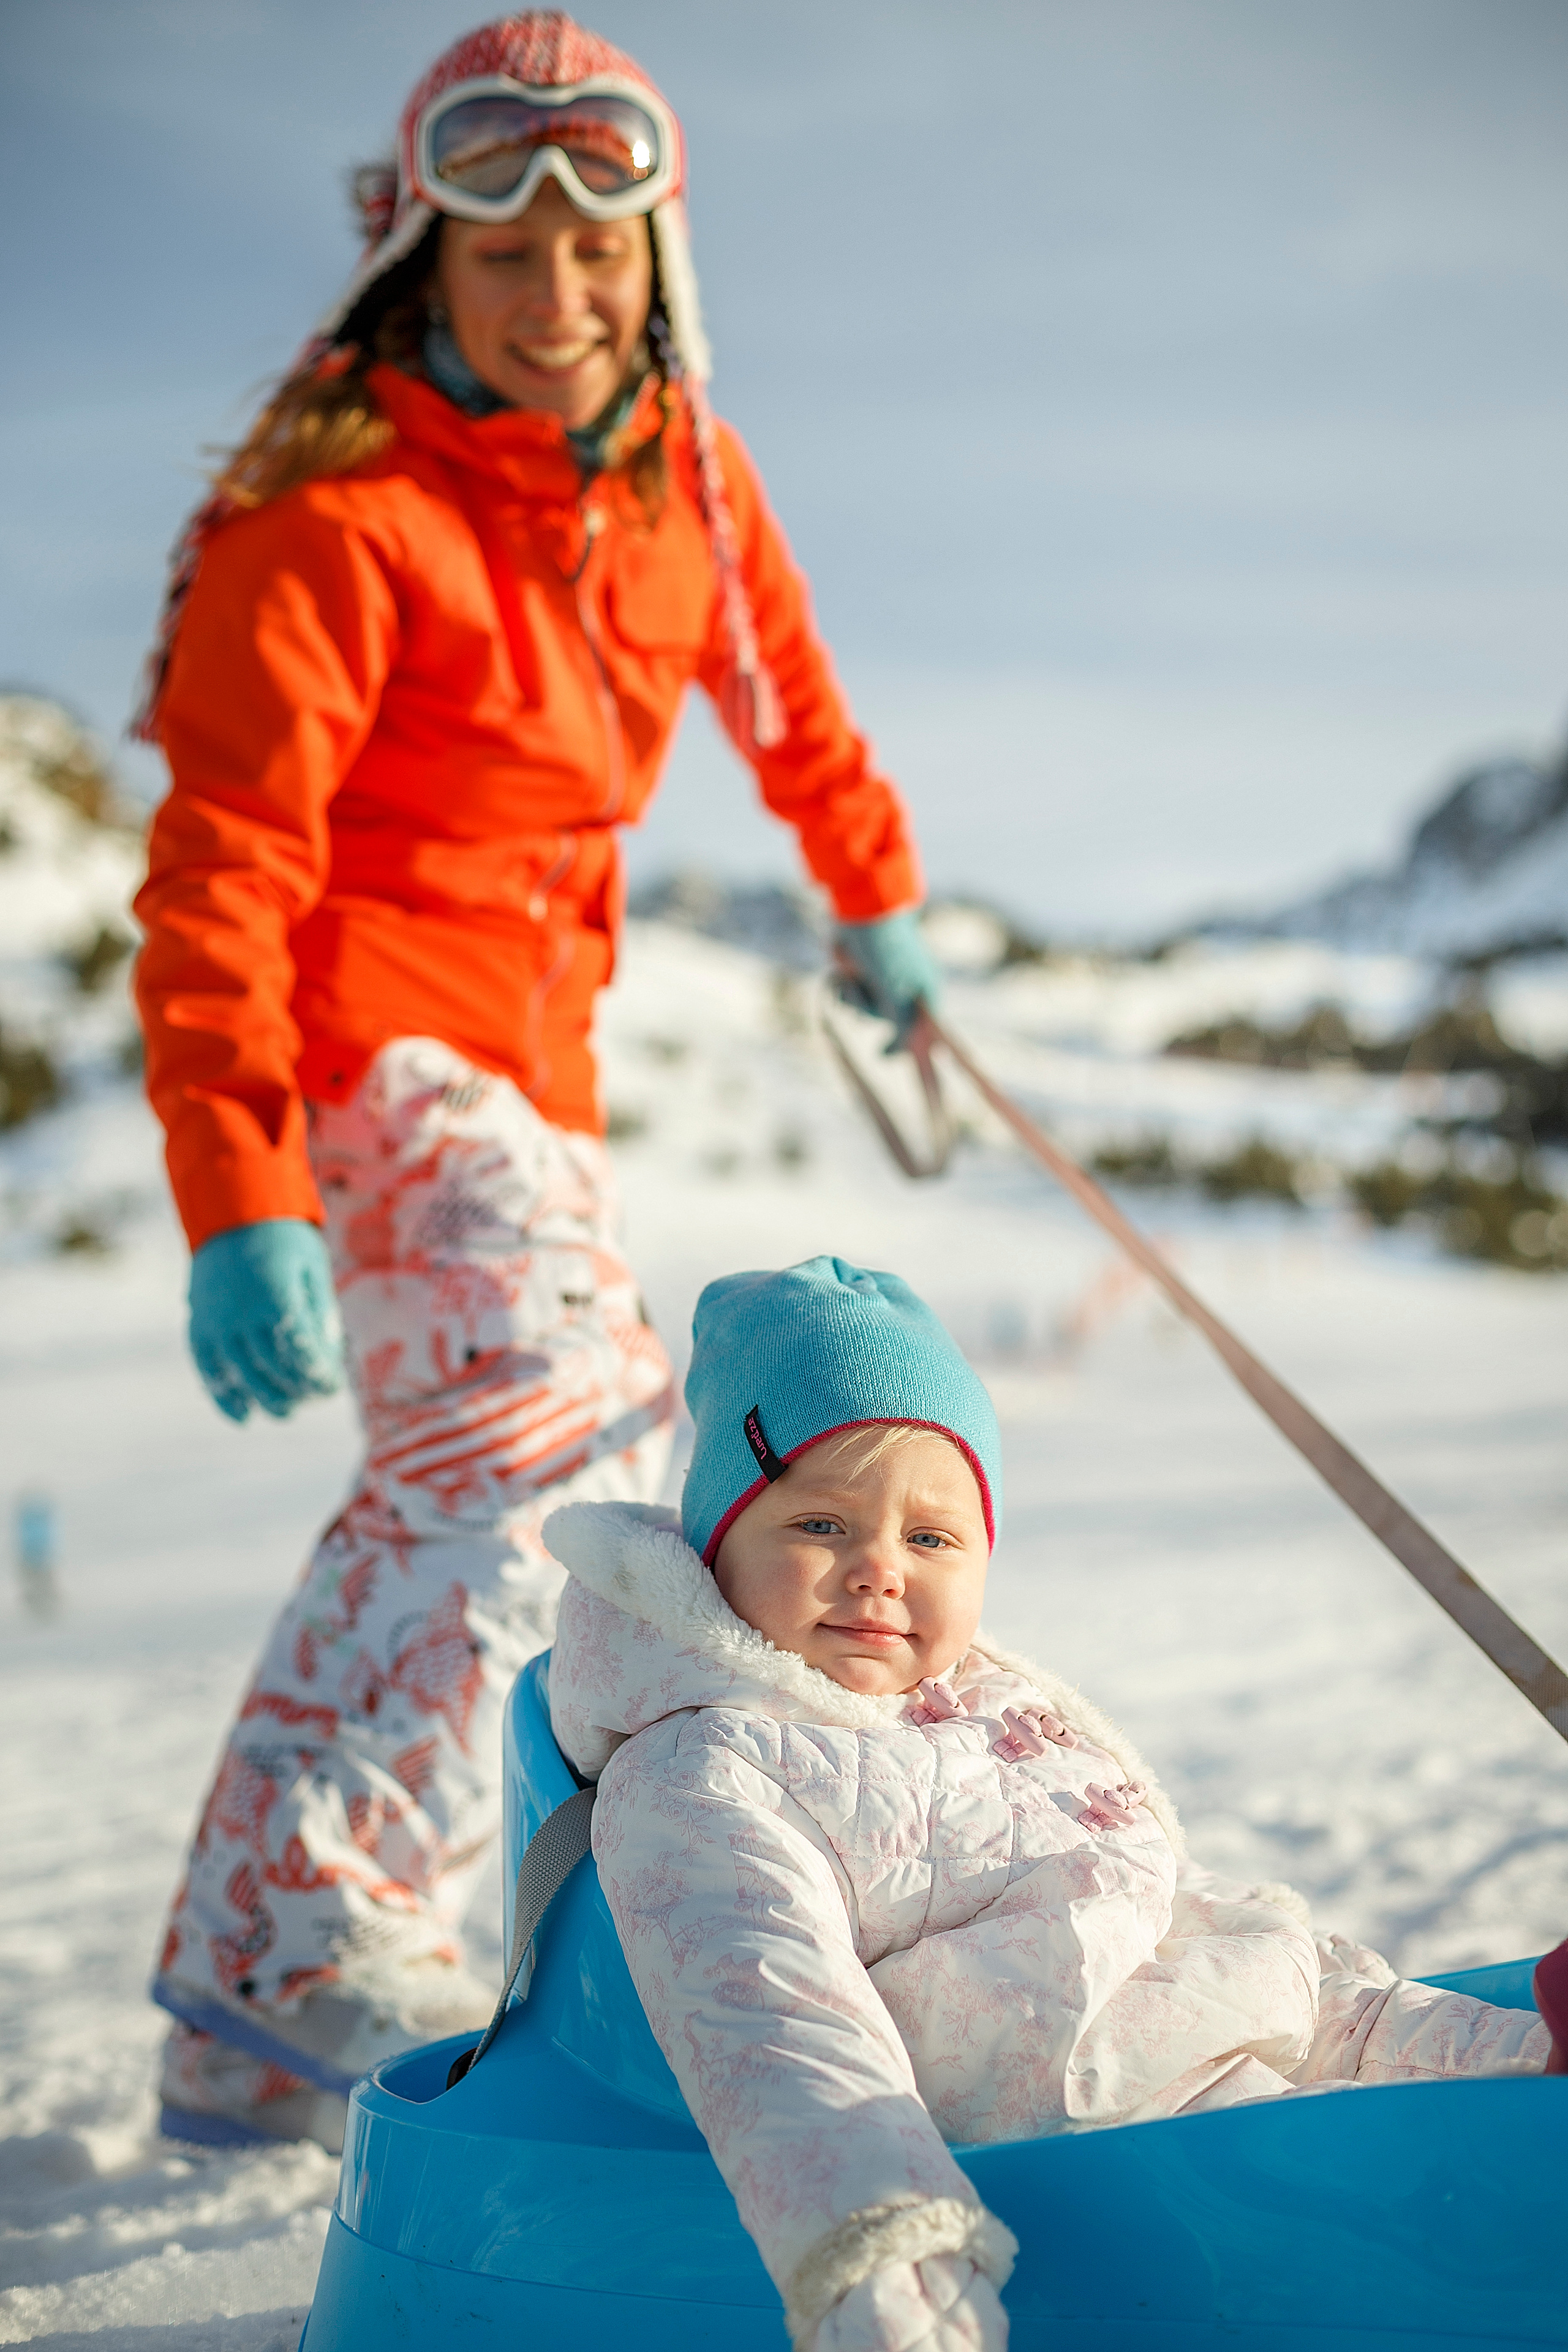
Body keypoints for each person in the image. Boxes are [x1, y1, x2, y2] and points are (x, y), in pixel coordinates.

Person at [134, 11, 942, 2150]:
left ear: (656, 259)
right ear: (427, 261)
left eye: (600, 250)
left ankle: (251, 2011)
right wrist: (239, 1190)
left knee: (512, 1472)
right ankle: (295, 1936)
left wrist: (878, 905)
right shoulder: (335, 521)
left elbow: (795, 713)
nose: (558, 295)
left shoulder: (691, 488)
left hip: (537, 1067)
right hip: (376, 1042)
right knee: (539, 1444)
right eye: (505, 253)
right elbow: (221, 873)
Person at [543, 1255, 1566, 2352]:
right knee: (1449, 2208)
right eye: (822, 1526)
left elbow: (1153, 1892)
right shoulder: (708, 1771)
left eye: (930, 1538)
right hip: (1124, 2125)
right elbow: (778, 2033)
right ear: (718, 1543)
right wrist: (893, 2267)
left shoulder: (975, 1704)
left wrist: (1356, 1997)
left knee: (1471, 2059)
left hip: (1240, 2013)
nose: (880, 1569)